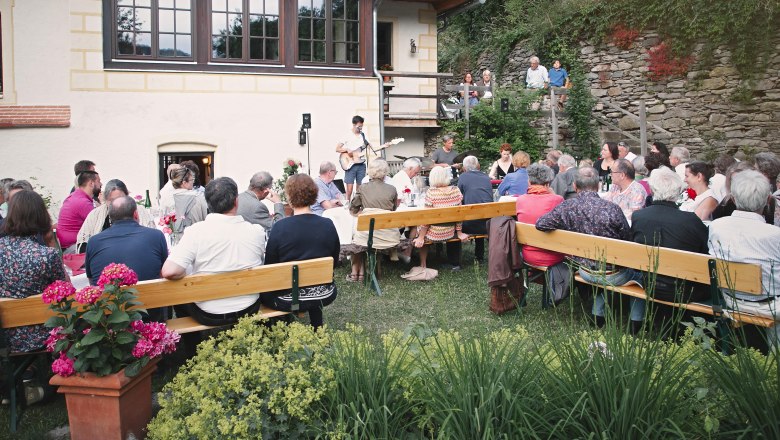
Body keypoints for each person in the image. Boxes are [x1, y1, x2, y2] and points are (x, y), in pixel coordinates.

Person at [536, 167, 643, 330]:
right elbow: (627, 241)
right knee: (641, 274)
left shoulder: (567, 207)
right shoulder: (612, 209)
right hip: (612, 273)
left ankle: (597, 315)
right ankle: (637, 322)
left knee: (601, 266)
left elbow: (541, 224)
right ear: (598, 186)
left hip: (584, 269)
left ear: (574, 186)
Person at [161, 177, 267, 326]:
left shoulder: (195, 232)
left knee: (180, 296)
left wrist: (188, 274)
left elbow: (169, 271)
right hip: (249, 307)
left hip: (208, 313)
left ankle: (193, 347)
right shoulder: (256, 231)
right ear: (236, 201)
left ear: (207, 203)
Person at [708, 170, 780, 349]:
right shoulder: (774, 235)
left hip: (731, 298)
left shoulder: (717, 226)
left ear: (732, 198)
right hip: (770, 305)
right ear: (768, 200)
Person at [261, 174, 340, 329]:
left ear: (289, 197)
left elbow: (270, 266)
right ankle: (317, 326)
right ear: (314, 195)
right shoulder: (327, 224)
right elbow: (334, 261)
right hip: (324, 292)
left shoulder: (280, 227)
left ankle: (280, 328)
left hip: (287, 297)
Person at [0, 190, 68, 352]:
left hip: (5, 337)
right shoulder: (46, 255)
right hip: (46, 334)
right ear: (41, 216)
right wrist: (51, 242)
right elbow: (66, 290)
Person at [631, 168, 709, 304]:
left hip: (649, 284)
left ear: (653, 191)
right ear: (678, 192)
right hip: (685, 289)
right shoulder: (690, 220)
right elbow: (705, 251)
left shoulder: (639, 216)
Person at [85, 196, 169, 321]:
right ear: (136, 214)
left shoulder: (94, 242)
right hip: (150, 314)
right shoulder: (156, 236)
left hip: (109, 317)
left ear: (110, 217)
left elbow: (91, 280)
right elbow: (164, 271)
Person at [346, 159, 399, 281]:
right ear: (385, 172)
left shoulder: (363, 188)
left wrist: (365, 212)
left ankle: (356, 272)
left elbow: (353, 209)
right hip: (388, 235)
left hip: (367, 236)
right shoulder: (392, 189)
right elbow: (393, 209)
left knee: (354, 235)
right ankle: (377, 267)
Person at [412, 166, 469, 270]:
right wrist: (459, 232)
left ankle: (423, 263)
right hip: (450, 231)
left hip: (434, 234)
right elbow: (459, 215)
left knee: (416, 227)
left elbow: (427, 219)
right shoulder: (456, 190)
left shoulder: (431, 192)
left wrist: (420, 237)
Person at [75, 179, 155, 252]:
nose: (118, 203)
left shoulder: (139, 211)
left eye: (121, 199)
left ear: (127, 196)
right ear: (105, 200)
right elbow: (83, 246)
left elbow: (151, 239)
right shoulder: (95, 215)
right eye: (112, 200)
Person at [516, 163, 564, 267]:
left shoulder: (520, 200)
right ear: (548, 183)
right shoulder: (557, 199)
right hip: (554, 256)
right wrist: (553, 194)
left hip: (528, 255)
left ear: (529, 182)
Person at [458, 156, 493, 263]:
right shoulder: (486, 177)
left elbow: (458, 196)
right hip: (487, 223)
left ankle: (456, 262)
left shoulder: (463, 177)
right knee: (479, 213)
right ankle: (479, 257)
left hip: (469, 224)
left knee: (458, 220)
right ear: (477, 165)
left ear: (464, 167)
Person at [57, 170, 101, 253]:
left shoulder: (75, 196)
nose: (101, 184)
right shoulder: (83, 202)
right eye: (98, 181)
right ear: (91, 184)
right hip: (73, 248)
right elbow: (100, 225)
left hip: (67, 246)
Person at [335, 115, 370, 202]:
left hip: (361, 164)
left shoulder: (363, 136)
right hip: (350, 164)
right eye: (359, 126)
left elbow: (370, 147)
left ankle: (357, 204)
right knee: (349, 188)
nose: (360, 128)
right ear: (354, 124)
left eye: (362, 126)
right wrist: (347, 149)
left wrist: (383, 146)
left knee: (360, 187)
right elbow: (337, 148)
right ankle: (347, 203)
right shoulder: (347, 135)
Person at [167, 167, 208, 233]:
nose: (193, 182)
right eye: (192, 180)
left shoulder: (167, 198)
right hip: (196, 235)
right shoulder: (198, 197)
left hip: (174, 236)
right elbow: (206, 218)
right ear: (184, 183)